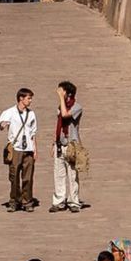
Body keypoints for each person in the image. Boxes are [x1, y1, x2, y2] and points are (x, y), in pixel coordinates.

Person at [0, 88, 38, 212]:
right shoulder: (9, 112)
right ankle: (14, 200)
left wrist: (35, 149)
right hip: (15, 148)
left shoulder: (31, 114)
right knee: (14, 176)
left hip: (28, 148)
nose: (30, 101)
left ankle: (27, 201)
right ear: (21, 98)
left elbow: (33, 133)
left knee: (28, 177)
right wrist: (2, 125)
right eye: (28, 98)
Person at [50, 81, 84, 212]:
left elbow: (65, 115)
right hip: (60, 144)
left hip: (71, 145)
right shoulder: (61, 106)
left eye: (61, 91)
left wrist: (60, 98)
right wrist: (54, 142)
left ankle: (73, 201)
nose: (59, 93)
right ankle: (59, 200)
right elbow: (58, 125)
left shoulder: (77, 107)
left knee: (72, 174)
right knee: (58, 174)